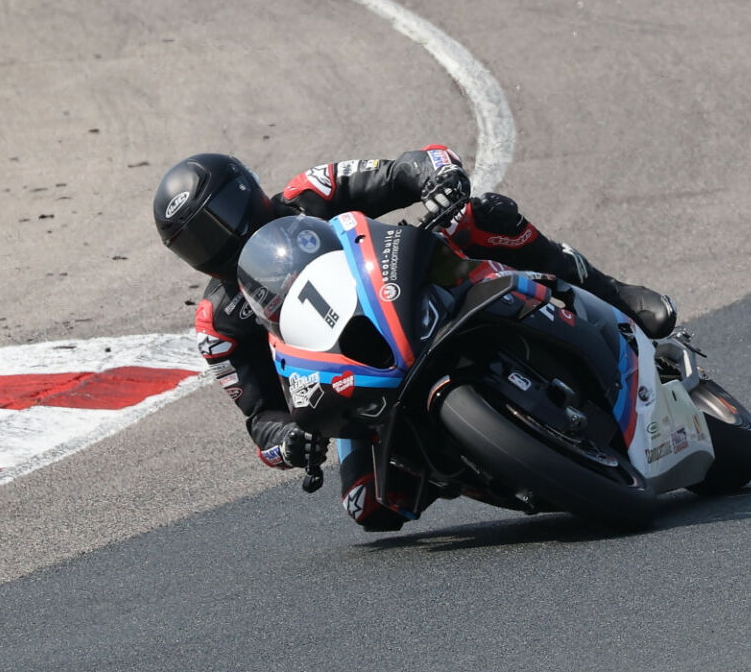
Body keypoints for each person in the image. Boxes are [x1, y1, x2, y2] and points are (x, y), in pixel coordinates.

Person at [153, 147, 677, 531]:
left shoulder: (307, 194)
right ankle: (490, 465)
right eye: (200, 241)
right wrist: (289, 441)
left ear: (246, 194)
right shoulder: (217, 324)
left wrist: (438, 178)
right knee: (369, 507)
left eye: (218, 221)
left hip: (412, 289)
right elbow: (259, 416)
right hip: (353, 372)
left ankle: (613, 293)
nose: (220, 241)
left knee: (480, 214)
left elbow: (404, 168)